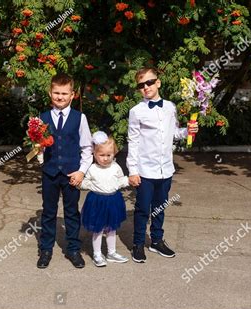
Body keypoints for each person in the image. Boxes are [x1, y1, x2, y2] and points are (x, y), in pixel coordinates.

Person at [127, 67, 198, 263]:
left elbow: (174, 133)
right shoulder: (136, 111)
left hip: (166, 168)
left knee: (160, 207)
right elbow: (132, 142)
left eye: (149, 82)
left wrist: (188, 131)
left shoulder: (170, 107)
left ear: (158, 82)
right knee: (142, 209)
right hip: (145, 170)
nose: (146, 87)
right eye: (141, 85)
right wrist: (132, 171)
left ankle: (156, 241)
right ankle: (138, 243)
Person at [37, 73, 93, 269]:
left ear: (72, 95)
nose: (60, 97)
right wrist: (39, 155)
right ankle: (45, 249)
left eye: (64, 93)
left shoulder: (80, 118)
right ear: (50, 93)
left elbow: (87, 148)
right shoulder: (42, 118)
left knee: (71, 212)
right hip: (50, 173)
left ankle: (73, 248)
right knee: (49, 212)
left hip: (71, 174)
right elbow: (38, 147)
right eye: (56, 93)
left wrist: (81, 172)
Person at [79, 131, 130, 267]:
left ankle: (111, 253)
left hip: (113, 201)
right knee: (98, 229)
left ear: (114, 154)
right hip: (97, 202)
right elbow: (85, 183)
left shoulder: (116, 167)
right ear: (95, 155)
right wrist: (79, 183)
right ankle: (97, 253)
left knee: (112, 229)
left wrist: (128, 180)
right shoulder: (92, 169)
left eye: (109, 155)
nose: (105, 158)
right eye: (102, 155)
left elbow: (119, 181)